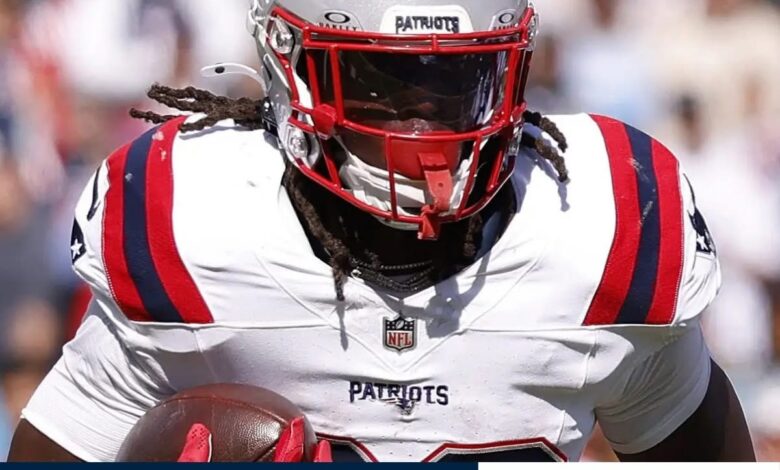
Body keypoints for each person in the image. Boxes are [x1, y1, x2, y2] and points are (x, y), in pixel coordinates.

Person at [8, 0, 754, 462]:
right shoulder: (196, 223)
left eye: (457, 81)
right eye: (380, 83)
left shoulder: (600, 229)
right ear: (288, 67)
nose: (425, 123)